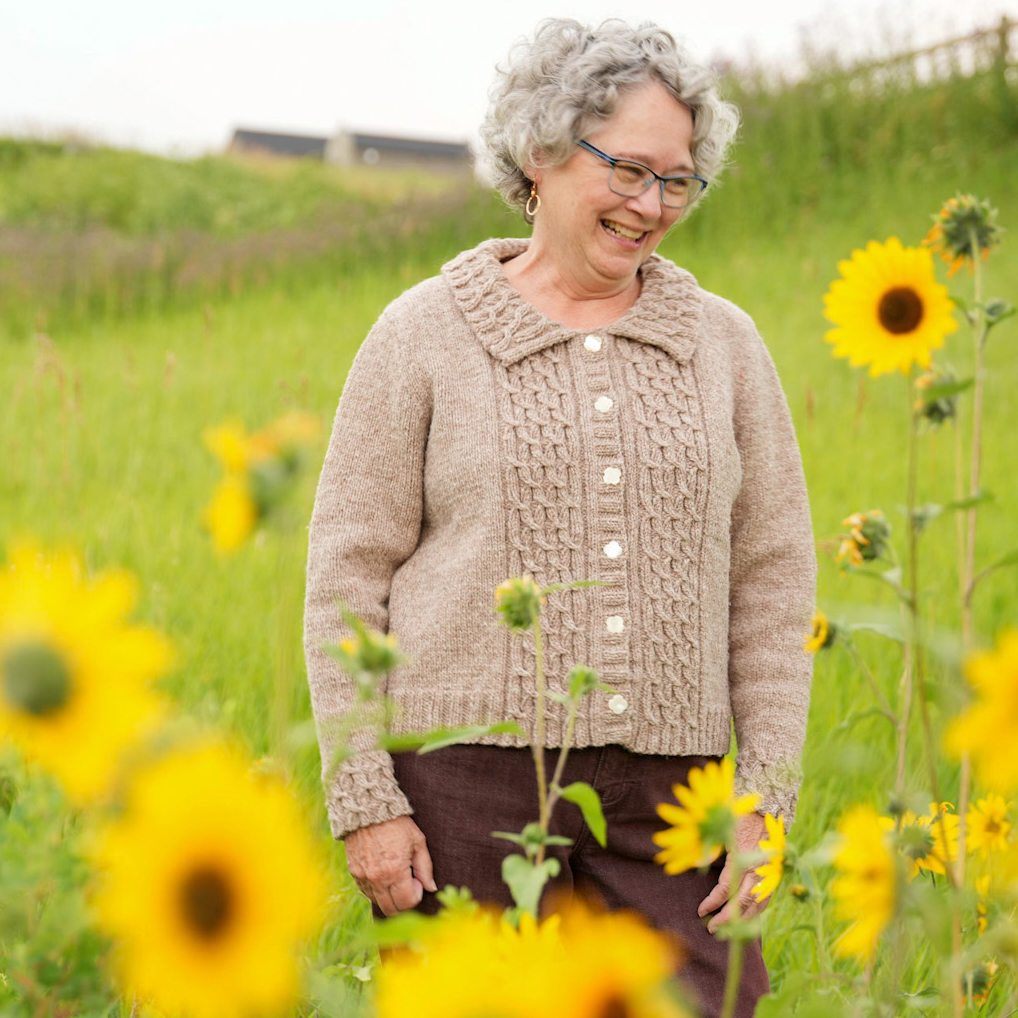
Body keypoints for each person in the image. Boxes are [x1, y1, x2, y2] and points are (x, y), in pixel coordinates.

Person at [304, 17, 815, 1018]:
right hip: (465, 794)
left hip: (680, 806)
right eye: (627, 170)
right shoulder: (421, 334)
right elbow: (345, 577)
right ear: (540, 152)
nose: (651, 204)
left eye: (679, 179)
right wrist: (366, 800)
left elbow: (774, 574)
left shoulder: (726, 345)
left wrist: (764, 796)